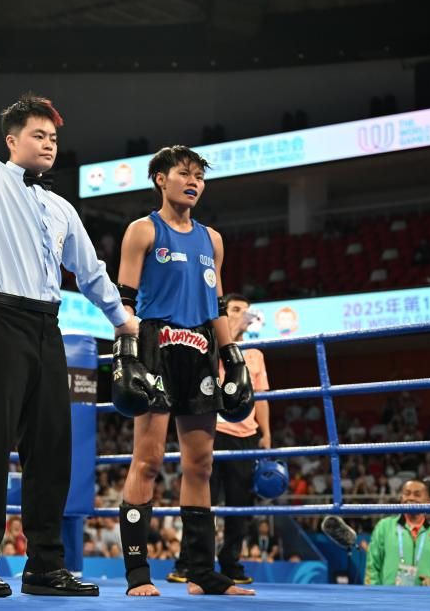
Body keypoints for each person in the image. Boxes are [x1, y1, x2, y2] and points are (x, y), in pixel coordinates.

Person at [0, 36, 138, 598]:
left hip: (48, 327)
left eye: (53, 137)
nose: (48, 143)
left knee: (51, 450)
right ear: (12, 140)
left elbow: (91, 271)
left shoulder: (62, 207)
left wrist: (123, 321)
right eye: (38, 135)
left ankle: (45, 566)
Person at [113, 146, 255, 597]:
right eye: (184, 173)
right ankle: (138, 574)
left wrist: (232, 357)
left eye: (199, 176)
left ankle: (200, 573)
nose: (193, 182)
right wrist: (126, 353)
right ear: (161, 178)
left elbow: (216, 305)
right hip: (154, 343)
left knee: (201, 463)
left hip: (201, 348)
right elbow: (124, 301)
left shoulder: (212, 240)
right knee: (148, 459)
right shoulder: (142, 230)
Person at [170, 293, 270, 584]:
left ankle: (231, 563)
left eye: (246, 310)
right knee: (201, 498)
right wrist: (228, 333)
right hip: (210, 431)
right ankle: (189, 563)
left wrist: (266, 433)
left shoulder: (256, 354)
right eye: (235, 309)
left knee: (240, 505)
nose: (242, 314)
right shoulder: (208, 343)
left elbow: (261, 397)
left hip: (245, 435)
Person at [364, 479, 430, 586]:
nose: (411, 498)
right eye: (407, 493)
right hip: (389, 595)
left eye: (417, 494)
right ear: (401, 499)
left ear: (428, 502)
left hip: (426, 595)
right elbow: (372, 567)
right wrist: (374, 593)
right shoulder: (384, 527)